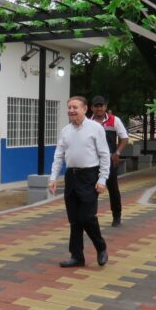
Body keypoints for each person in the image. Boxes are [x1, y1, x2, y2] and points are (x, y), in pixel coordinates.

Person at [49, 96, 110, 268]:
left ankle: (101, 247)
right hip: (71, 176)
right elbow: (59, 155)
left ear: (85, 109)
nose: (71, 111)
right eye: (69, 107)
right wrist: (53, 178)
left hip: (89, 176)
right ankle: (77, 256)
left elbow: (104, 155)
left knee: (87, 217)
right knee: (74, 219)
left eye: (75, 107)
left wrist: (102, 179)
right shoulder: (66, 131)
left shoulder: (95, 128)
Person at [90, 95, 130, 226]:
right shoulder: (88, 122)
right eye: (96, 106)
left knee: (113, 189)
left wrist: (117, 153)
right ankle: (91, 216)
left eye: (101, 105)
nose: (99, 108)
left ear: (105, 107)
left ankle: (116, 216)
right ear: (92, 108)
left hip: (110, 160)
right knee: (92, 190)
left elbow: (124, 138)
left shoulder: (114, 120)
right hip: (93, 161)